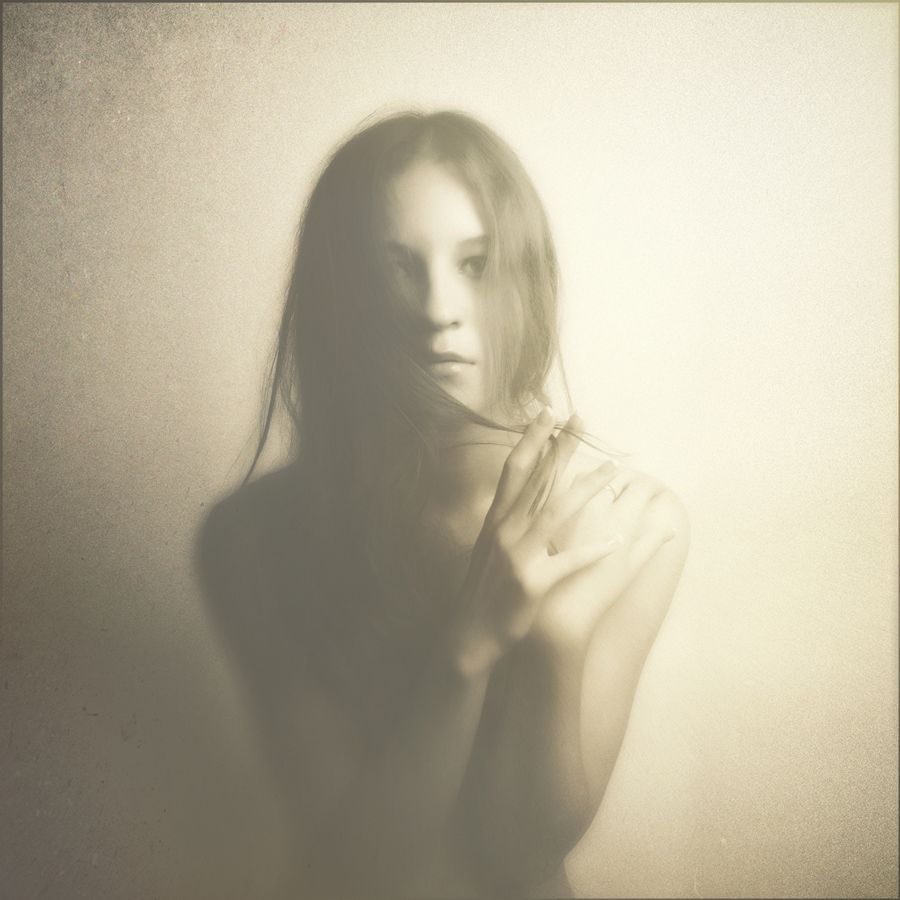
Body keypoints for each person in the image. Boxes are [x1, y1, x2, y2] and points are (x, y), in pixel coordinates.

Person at [195, 108, 690, 899]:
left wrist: (555, 644)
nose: (438, 308)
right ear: (342, 295)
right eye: (396, 266)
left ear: (527, 277)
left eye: (477, 263)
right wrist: (472, 644)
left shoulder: (633, 522)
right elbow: (365, 865)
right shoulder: (254, 535)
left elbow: (524, 855)